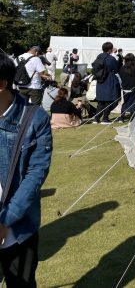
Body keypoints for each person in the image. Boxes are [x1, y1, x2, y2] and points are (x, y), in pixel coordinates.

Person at [0, 53, 53, 286]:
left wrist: (6, 221)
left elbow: (35, 174)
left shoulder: (35, 118)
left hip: (17, 227)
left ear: (1, 85)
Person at [93, 42, 121, 125]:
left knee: (101, 101)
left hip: (100, 81)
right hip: (109, 80)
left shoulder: (99, 57)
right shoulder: (110, 58)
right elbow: (117, 68)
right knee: (110, 101)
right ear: (110, 49)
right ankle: (105, 118)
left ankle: (96, 118)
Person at [118, 53, 135, 122]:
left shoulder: (122, 68)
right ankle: (132, 118)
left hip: (126, 88)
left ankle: (122, 118)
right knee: (134, 103)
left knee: (125, 102)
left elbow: (120, 77)